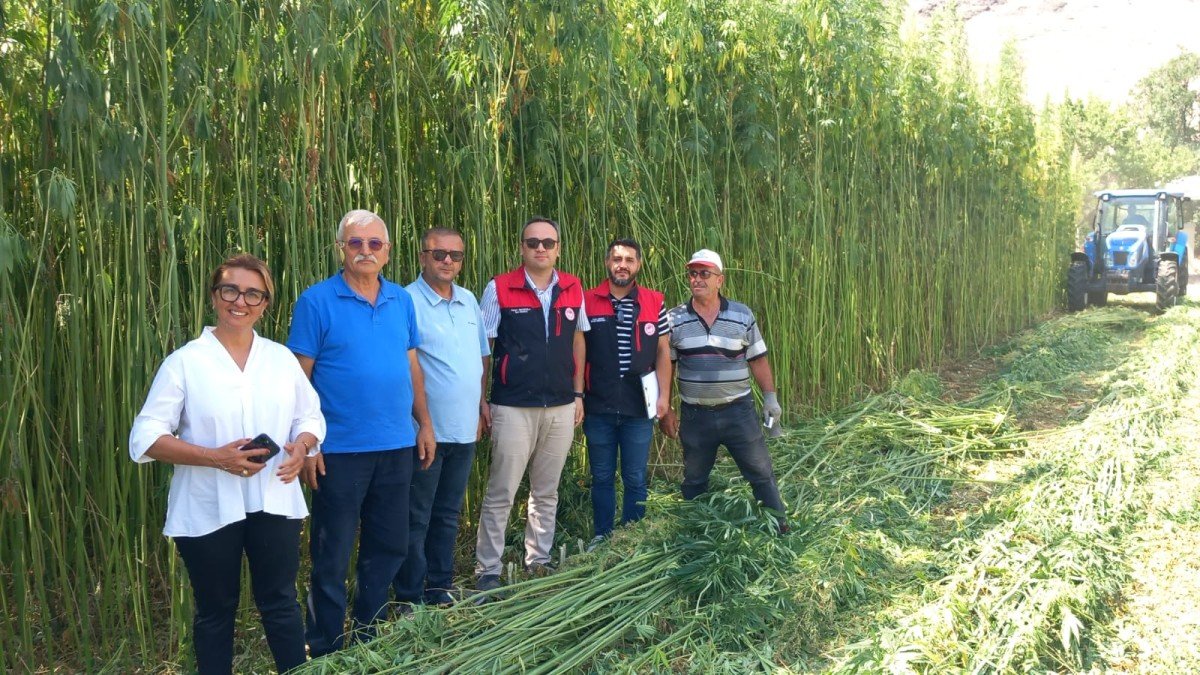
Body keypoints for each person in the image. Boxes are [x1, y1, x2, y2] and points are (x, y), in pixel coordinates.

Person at [129, 254, 325, 675]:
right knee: (215, 610)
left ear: (266, 302)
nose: (241, 301)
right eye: (230, 290)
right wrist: (214, 457)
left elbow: (310, 416)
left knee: (280, 603)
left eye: (253, 293)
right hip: (207, 504)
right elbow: (144, 437)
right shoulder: (185, 361)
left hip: (274, 496)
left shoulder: (279, 359)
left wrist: (302, 445)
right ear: (215, 296)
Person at [287, 209, 436, 656]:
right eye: (356, 243)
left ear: (388, 252)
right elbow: (299, 379)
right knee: (331, 555)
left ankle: (368, 635)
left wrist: (424, 423)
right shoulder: (316, 301)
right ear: (341, 249)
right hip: (341, 449)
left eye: (375, 244)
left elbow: (412, 366)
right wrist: (307, 443)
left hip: (396, 445)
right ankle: (327, 648)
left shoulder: (401, 302)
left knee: (388, 545)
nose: (365, 251)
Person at [474, 216, 588, 593]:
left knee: (546, 490)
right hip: (512, 406)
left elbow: (577, 341)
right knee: (501, 491)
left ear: (558, 248)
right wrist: (483, 401)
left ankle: (537, 561)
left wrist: (577, 394)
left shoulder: (573, 287)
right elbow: (484, 349)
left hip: (559, 406)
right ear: (521, 247)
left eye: (548, 242)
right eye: (533, 242)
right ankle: (487, 569)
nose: (541, 248)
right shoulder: (499, 287)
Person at [392, 227, 489, 608]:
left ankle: (439, 588)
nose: (448, 261)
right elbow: (403, 364)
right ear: (422, 257)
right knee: (416, 517)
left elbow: (481, 355)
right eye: (439, 254)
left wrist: (482, 403)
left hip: (464, 429)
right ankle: (409, 596)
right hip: (424, 433)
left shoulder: (468, 301)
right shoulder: (404, 301)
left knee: (447, 514)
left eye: (456, 255)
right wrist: (422, 423)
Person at [660, 249, 787, 530]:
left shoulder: (741, 315)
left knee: (761, 473)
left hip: (738, 412)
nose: (697, 279)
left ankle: (780, 528)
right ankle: (695, 533)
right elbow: (667, 367)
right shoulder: (674, 318)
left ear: (720, 280)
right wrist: (666, 408)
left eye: (705, 273)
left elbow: (758, 358)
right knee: (694, 478)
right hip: (695, 415)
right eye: (693, 273)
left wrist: (770, 398)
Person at [580, 238, 671, 550]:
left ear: (638, 265)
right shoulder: (587, 300)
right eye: (617, 259)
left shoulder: (654, 301)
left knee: (635, 477)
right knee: (602, 477)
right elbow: (577, 352)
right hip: (598, 405)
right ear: (608, 263)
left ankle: (632, 537)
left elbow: (662, 352)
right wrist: (578, 395)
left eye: (629, 259)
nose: (623, 265)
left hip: (638, 406)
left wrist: (664, 397)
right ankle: (602, 537)